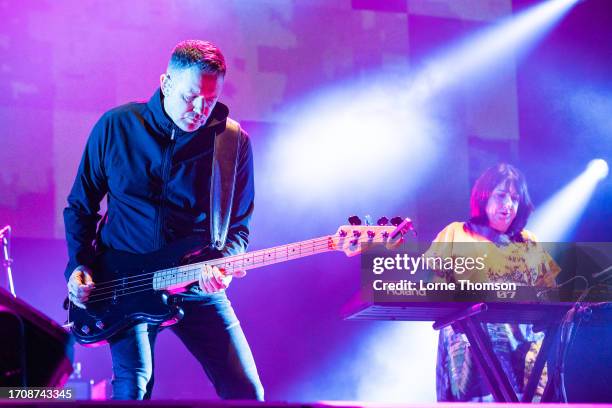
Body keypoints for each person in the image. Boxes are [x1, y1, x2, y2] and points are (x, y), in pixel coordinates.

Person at [63, 40, 264, 400]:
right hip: (124, 283)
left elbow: (238, 227)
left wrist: (221, 263)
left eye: (211, 99)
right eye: (191, 97)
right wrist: (79, 266)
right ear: (166, 82)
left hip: (195, 283)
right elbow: (80, 206)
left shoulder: (233, 143)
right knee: (133, 388)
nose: (201, 109)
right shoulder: (117, 126)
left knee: (247, 391)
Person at [426, 163, 560, 401]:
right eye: (501, 195)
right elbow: (430, 285)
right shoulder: (456, 233)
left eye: (515, 199)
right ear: (483, 197)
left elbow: (552, 293)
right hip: (472, 348)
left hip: (524, 352)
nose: (508, 205)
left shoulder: (528, 242)